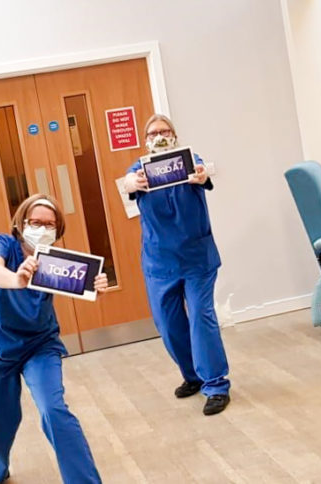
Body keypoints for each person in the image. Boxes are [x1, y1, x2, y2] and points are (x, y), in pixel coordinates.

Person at [0, 194, 107, 484]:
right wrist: (16, 279)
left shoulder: (56, 261)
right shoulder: (1, 244)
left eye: (49, 225)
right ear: (21, 224)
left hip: (39, 345)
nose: (42, 229)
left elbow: (87, 285)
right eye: (35, 222)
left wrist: (97, 284)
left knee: (53, 410)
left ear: (58, 230)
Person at [123, 114, 231, 416]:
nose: (160, 137)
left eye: (165, 131)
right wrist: (133, 182)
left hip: (197, 259)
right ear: (145, 140)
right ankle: (193, 375)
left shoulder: (189, 161)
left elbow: (203, 174)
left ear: (174, 135)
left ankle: (216, 385)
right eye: (153, 133)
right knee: (169, 326)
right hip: (160, 263)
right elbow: (128, 183)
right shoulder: (140, 170)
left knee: (200, 318)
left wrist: (201, 175)